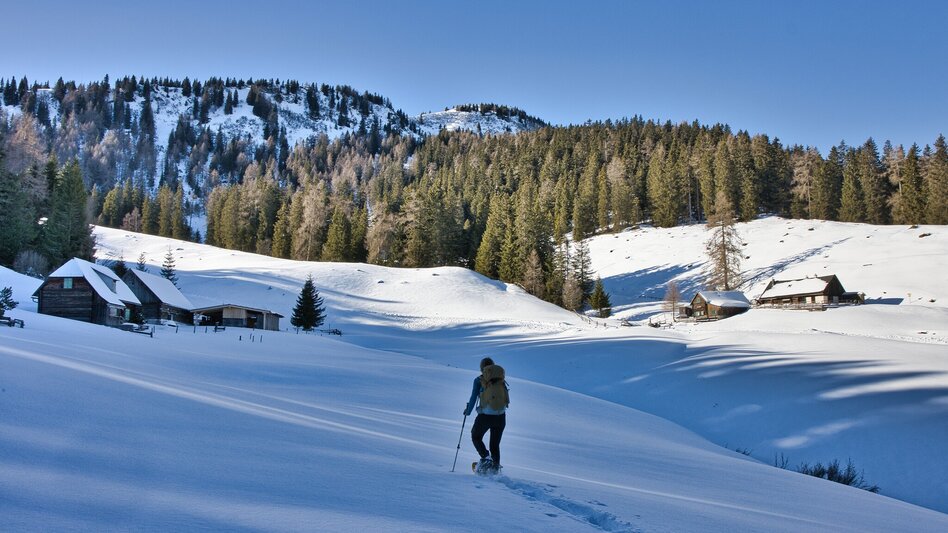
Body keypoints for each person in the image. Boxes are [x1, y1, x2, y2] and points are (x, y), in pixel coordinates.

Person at [464, 357, 509, 473]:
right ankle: (495, 470)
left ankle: (486, 459)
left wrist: (467, 411)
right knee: (495, 445)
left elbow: (474, 397)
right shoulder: (501, 379)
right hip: (501, 416)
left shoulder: (479, 380)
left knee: (476, 436)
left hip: (485, 416)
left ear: (482, 368)